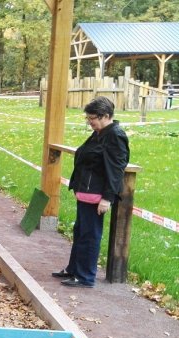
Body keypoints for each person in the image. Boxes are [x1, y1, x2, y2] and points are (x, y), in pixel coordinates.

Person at [52, 97, 130, 288]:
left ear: (105, 116)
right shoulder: (100, 132)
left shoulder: (115, 135)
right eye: (87, 118)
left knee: (90, 234)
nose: (90, 122)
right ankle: (74, 269)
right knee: (80, 231)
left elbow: (116, 169)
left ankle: (85, 276)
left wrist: (107, 198)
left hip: (96, 194)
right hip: (86, 190)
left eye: (92, 118)